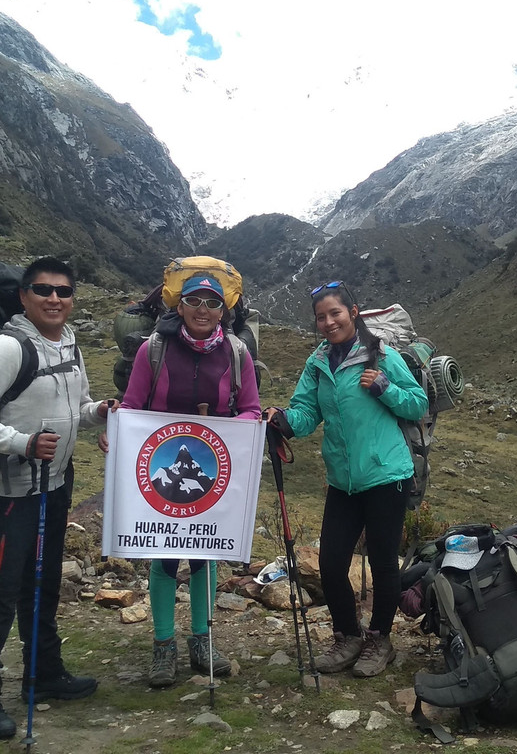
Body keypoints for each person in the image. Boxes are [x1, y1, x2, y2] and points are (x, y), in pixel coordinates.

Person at [0, 257, 117, 740]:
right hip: (11, 493)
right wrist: (21, 443)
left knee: (43, 584)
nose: (54, 299)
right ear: (24, 295)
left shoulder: (68, 343)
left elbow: (78, 407)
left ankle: (43, 674)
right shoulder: (7, 347)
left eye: (63, 292)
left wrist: (101, 412)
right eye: (43, 290)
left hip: (55, 483)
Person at [264, 280, 428, 678]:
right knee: (331, 562)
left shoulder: (381, 355)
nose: (328, 322)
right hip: (343, 482)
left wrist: (385, 387)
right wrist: (284, 421)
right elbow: (306, 412)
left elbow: (417, 402)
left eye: (335, 313)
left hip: (387, 475)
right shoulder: (318, 362)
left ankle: (379, 640)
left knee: (384, 564)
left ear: (353, 312)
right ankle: (347, 636)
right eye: (321, 317)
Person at [116, 273, 261, 688]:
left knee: (203, 553)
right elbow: (132, 405)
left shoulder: (236, 354)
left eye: (213, 303)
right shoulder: (153, 350)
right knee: (164, 554)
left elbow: (250, 408)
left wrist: (231, 432)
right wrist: (118, 426)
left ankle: (203, 639)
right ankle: (164, 645)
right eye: (194, 300)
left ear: (223, 311)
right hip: (162, 468)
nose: (203, 309)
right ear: (179, 306)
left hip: (212, 471)